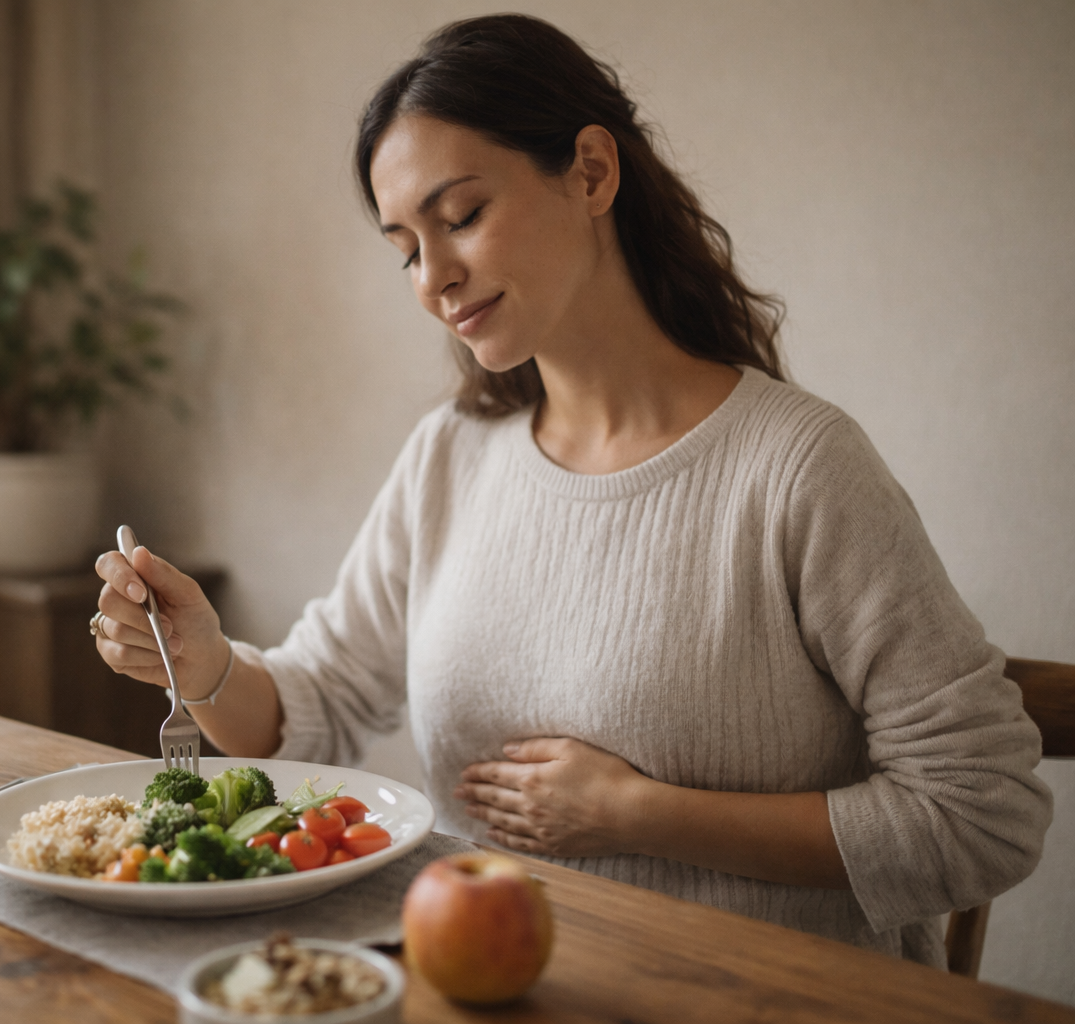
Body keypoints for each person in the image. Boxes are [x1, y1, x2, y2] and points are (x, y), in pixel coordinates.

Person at [88, 14, 1051, 965]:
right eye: (407, 249)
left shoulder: (798, 470)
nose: (434, 278)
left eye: (461, 217)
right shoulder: (450, 458)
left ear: (592, 172)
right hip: (500, 989)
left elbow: (982, 813)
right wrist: (205, 661)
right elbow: (317, 704)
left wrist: (640, 815)